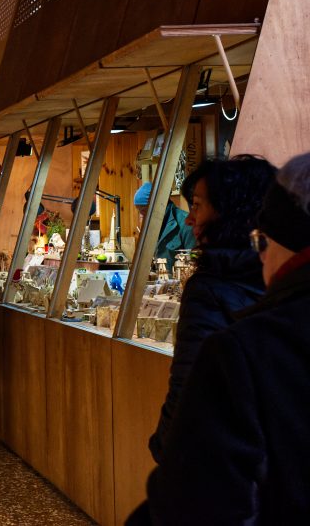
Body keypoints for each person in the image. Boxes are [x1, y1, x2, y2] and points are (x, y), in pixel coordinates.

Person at [128, 152, 310, 524]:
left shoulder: (243, 345)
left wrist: (167, 444)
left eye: (264, 242)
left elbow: (201, 488)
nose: (191, 218)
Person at [148, 155, 276, 463]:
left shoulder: (209, 288)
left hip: (218, 460)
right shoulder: (281, 275)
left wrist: (164, 446)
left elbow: (190, 383)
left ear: (227, 213)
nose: (189, 219)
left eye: (197, 205)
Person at [134, 181, 197, 270]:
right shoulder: (151, 226)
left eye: (143, 211)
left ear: (157, 206)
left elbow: (194, 264)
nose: (141, 217)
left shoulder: (186, 224)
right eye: (139, 212)